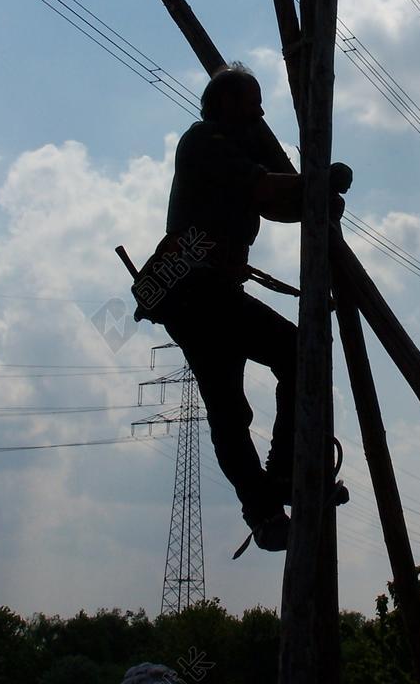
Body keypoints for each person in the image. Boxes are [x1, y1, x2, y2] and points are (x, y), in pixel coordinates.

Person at [132, 64, 349, 553]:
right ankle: (280, 482)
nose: (262, 111)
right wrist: (317, 182)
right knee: (288, 356)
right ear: (227, 104)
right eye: (254, 101)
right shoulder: (203, 142)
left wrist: (315, 194)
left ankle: (268, 503)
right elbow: (267, 191)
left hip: (209, 292)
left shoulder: (237, 143)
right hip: (197, 292)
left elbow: (278, 204)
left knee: (230, 408)